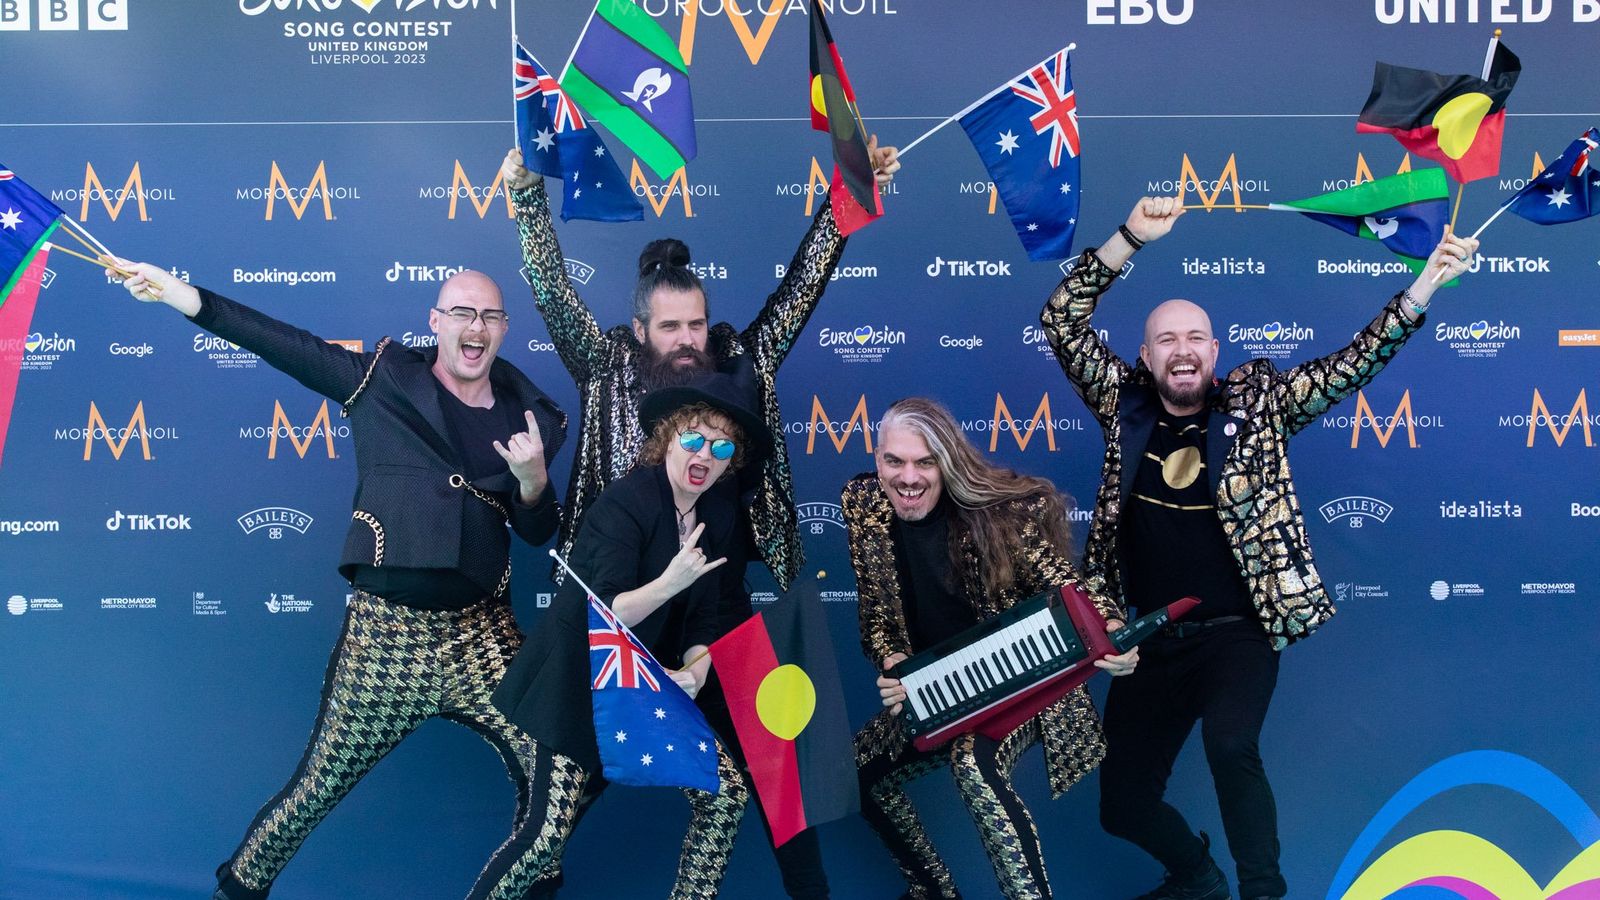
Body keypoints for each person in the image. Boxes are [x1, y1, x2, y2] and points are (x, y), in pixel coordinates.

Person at [1039, 197, 1479, 900]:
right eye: (1166, 340)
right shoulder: (1122, 406)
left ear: (1214, 353)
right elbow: (1060, 321)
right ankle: (1196, 875)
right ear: (1147, 355)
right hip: (1147, 639)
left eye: (1195, 338)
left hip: (1237, 633)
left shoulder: (1261, 405)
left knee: (1231, 745)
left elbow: (1350, 368)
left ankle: (1263, 893)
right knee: (1120, 806)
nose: (1181, 350)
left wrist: (1424, 285)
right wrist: (1130, 238)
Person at [499, 140, 898, 899]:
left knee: (779, 779)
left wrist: (849, 198)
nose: (687, 341)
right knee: (567, 794)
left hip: (719, 603)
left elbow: (803, 286)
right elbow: (550, 288)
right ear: (641, 328)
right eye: (671, 327)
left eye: (697, 325)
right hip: (619, 610)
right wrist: (524, 196)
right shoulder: (605, 363)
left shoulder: (741, 359)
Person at [112, 263, 567, 900]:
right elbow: (281, 343)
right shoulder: (383, 382)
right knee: (313, 791)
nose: (476, 326)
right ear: (435, 322)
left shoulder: (532, 421)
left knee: (559, 776)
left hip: (481, 640)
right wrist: (181, 294)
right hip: (385, 639)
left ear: (504, 330)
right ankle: (236, 891)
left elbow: (539, 531)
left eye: (489, 316)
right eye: (462, 313)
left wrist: (534, 482)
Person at [480, 373, 769, 899]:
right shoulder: (625, 502)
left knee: (727, 795)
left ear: (732, 459)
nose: (706, 452)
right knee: (544, 843)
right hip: (575, 682)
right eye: (694, 438)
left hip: (646, 684)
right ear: (668, 439)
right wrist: (670, 583)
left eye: (722, 445)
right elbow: (608, 610)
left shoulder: (719, 513)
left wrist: (695, 670)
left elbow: (705, 619)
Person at [842, 397, 1139, 900]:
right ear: (877, 458)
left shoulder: (1001, 514)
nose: (907, 477)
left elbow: (1072, 589)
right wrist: (892, 661)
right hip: (941, 688)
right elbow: (877, 617)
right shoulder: (864, 504)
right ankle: (932, 890)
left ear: (947, 461)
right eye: (894, 461)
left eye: (924, 462)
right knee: (857, 773)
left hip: (1026, 679)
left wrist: (1113, 629)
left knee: (971, 760)